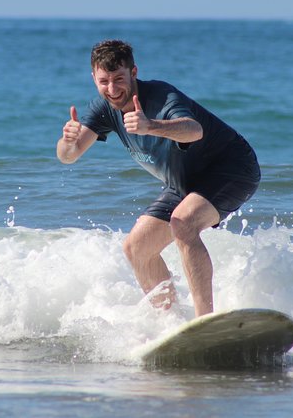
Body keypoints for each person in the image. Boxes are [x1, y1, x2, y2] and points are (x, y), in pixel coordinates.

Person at [57, 40, 260, 317]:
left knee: (183, 223)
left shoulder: (161, 96)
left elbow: (194, 130)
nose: (113, 89)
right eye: (104, 81)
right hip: (185, 182)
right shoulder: (103, 108)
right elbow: (69, 155)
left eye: (119, 79)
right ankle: (171, 320)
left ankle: (205, 322)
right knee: (136, 248)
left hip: (232, 167)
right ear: (94, 78)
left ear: (134, 72)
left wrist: (150, 126)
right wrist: (67, 141)